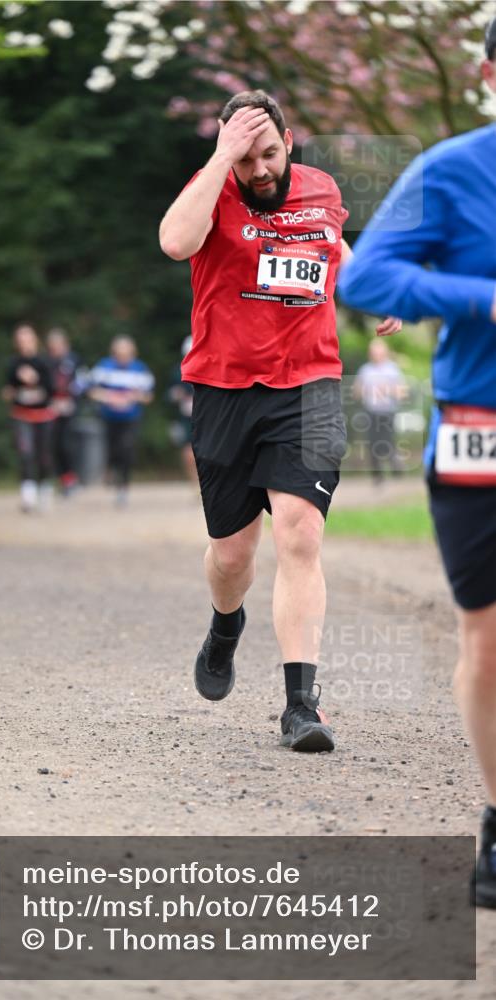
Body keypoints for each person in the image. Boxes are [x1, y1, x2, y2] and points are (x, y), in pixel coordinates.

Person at [159, 90, 400, 752]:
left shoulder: (320, 189)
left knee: (298, 536)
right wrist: (220, 160)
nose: (259, 170)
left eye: (269, 153)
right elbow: (175, 242)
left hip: (309, 387)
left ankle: (301, 706)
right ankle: (224, 623)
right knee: (232, 556)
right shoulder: (211, 192)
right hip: (223, 388)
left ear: (288, 143)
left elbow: (331, 249)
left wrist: (369, 286)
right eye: (247, 159)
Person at [338, 20, 496, 907]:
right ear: (487, 72)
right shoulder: (450, 170)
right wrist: (481, 298)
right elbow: (362, 280)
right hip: (481, 427)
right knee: (488, 639)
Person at [88, 336, 155, 506]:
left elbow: (149, 396)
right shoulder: (104, 367)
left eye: (126, 353)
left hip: (130, 418)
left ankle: (123, 487)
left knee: (127, 449)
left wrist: (134, 396)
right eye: (119, 353)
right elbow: (90, 390)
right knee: (113, 450)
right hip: (109, 417)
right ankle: (111, 472)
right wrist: (109, 397)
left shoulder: (140, 369)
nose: (123, 357)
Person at [2, 324, 55, 513]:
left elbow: (52, 391)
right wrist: (11, 393)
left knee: (43, 455)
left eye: (27, 338)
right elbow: (8, 390)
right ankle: (28, 494)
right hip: (21, 415)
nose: (24, 343)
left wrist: (34, 380)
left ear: (35, 340)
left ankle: (45, 489)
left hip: (43, 416)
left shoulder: (44, 362)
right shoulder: (13, 364)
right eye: (20, 339)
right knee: (25, 453)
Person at [353, 339, 408, 485]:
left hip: (388, 412)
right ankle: (377, 475)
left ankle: (396, 465)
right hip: (371, 412)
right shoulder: (365, 370)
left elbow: (402, 392)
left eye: (379, 352)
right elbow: (356, 392)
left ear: (385, 352)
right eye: (373, 352)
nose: (376, 355)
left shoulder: (393, 369)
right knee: (372, 443)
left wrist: (387, 390)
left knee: (386, 442)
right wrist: (365, 391)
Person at [46, 327, 81, 496]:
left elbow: (82, 383)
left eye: (57, 345)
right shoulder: (46, 362)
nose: (55, 350)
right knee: (52, 446)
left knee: (66, 444)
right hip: (50, 409)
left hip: (69, 408)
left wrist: (71, 400)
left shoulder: (74, 361)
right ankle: (61, 479)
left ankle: (71, 478)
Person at [168, 336, 198, 487]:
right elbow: (171, 395)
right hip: (186, 417)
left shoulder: (213, 369)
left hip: (208, 417)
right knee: (188, 454)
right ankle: (195, 484)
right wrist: (177, 394)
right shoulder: (178, 371)